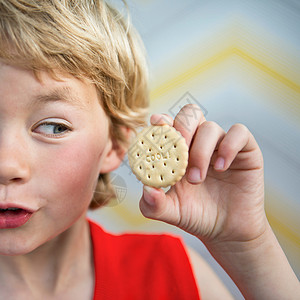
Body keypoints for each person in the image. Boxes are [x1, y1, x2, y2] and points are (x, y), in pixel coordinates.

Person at [0, 1, 299, 299]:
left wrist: (247, 245)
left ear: (114, 144)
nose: (6, 166)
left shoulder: (172, 273)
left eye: (54, 127)